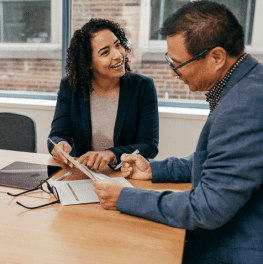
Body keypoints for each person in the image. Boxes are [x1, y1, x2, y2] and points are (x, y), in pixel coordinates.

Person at [93, 2, 263, 263]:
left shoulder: (243, 106)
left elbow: (207, 209)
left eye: (179, 63)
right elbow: (219, 160)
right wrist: (155, 170)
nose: (174, 72)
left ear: (216, 57)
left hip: (233, 249)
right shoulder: (246, 85)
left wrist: (125, 197)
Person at [48, 18, 159, 171]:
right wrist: (60, 145)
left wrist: (111, 154)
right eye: (105, 52)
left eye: (118, 45)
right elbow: (56, 135)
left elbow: (149, 145)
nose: (118, 55)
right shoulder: (70, 87)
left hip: (125, 175)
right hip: (82, 174)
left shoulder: (143, 87)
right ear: (88, 63)